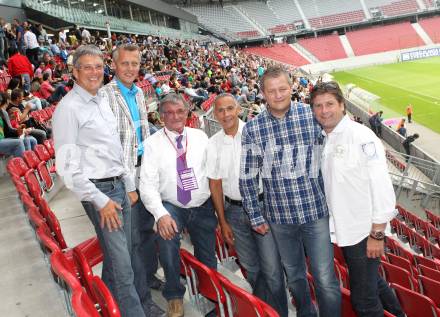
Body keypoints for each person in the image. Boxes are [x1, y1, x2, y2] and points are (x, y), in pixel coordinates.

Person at [52, 45, 146, 317]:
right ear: (74, 72)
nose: (94, 72)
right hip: (100, 192)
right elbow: (67, 168)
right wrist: (101, 200)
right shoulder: (68, 108)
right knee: (123, 264)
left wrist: (128, 186)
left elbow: (114, 148)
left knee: (122, 255)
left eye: (98, 67)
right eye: (87, 67)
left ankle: (105, 306)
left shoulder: (101, 100)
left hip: (118, 186)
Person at [239, 66, 341, 317]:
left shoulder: (312, 116)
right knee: (295, 278)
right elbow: (248, 177)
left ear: (292, 87)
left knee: (325, 279)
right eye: (271, 91)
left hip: (315, 212)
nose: (278, 95)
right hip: (280, 219)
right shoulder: (253, 128)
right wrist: (255, 215)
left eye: (282, 88)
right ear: (262, 93)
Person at [310, 81, 404, 317]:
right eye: (318, 106)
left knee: (363, 301)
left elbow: (381, 187)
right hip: (348, 232)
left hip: (365, 232)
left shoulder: (361, 136)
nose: (324, 110)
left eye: (330, 104)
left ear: (342, 105)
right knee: (374, 285)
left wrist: (377, 234)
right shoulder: (326, 138)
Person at [207, 93, 288, 317]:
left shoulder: (256, 134)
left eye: (230, 108)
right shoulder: (213, 144)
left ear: (239, 109)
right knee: (251, 268)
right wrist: (222, 221)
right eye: (221, 111)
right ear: (215, 114)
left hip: (262, 208)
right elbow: (215, 185)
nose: (226, 114)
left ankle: (279, 312)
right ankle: (265, 311)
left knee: (272, 269)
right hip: (233, 212)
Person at [100, 43, 164, 317]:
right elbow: (110, 145)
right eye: (124, 63)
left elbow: (140, 134)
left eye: (135, 63)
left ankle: (148, 276)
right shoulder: (104, 96)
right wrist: (128, 185)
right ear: (113, 65)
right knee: (132, 242)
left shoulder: (138, 92)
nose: (130, 68)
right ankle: (141, 298)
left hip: (142, 170)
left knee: (147, 232)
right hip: (123, 177)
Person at [139, 93, 217, 317]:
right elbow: (147, 186)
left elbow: (213, 173)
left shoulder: (201, 137)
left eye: (180, 111)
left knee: (208, 255)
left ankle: (210, 294)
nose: (175, 117)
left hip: (202, 204)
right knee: (166, 241)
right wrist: (160, 215)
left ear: (187, 113)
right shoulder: (152, 145)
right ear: (161, 116)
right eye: (169, 113)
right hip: (173, 205)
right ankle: (174, 295)